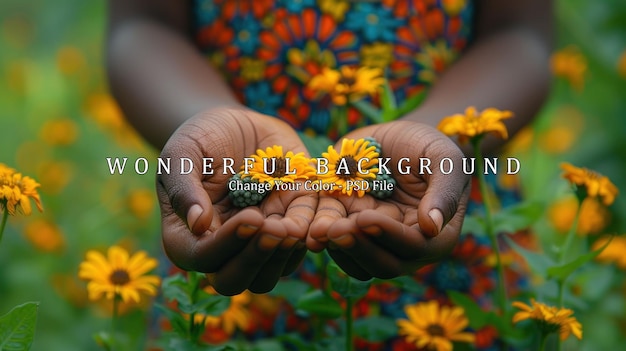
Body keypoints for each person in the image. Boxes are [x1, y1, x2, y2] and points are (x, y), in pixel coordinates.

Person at [106, 0, 551, 347]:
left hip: (442, 224)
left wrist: (438, 136)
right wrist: (208, 127)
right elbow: (144, 24)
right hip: (225, 247)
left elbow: (518, 34)